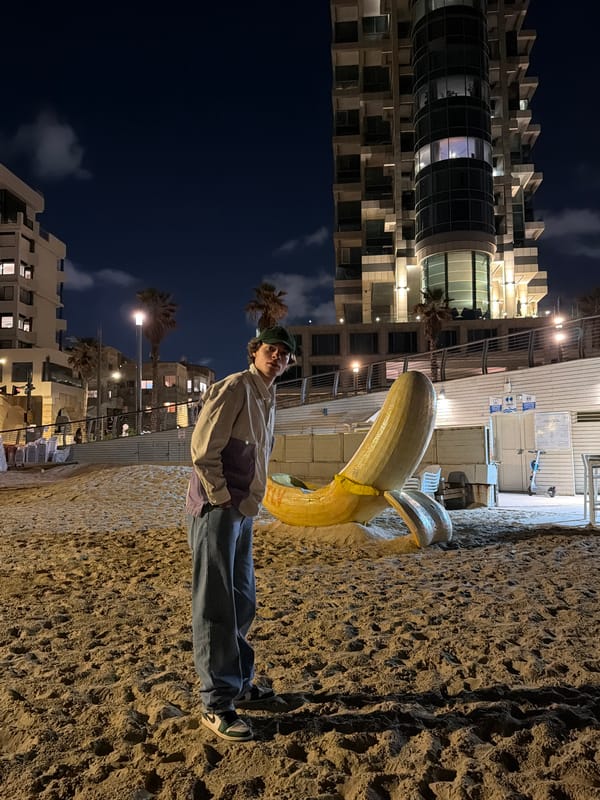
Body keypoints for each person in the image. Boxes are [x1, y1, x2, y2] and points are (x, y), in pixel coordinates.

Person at [185, 325, 297, 743]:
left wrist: (247, 503)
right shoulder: (235, 388)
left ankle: (240, 682)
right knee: (215, 603)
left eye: (284, 354)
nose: (277, 357)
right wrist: (221, 497)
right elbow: (202, 448)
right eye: (271, 350)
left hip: (243, 510)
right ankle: (216, 703)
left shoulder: (268, 396)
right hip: (218, 508)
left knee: (242, 598)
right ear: (255, 352)